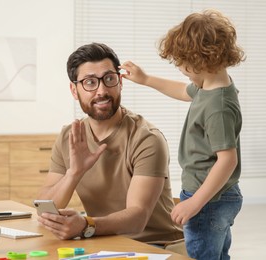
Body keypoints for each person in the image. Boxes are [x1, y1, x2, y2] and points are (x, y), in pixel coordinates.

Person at [120, 9, 245, 259]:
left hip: (209, 200)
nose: (182, 71)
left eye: (184, 66)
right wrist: (145, 79)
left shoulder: (217, 107)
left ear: (201, 61)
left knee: (201, 255)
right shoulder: (210, 85)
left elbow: (227, 160)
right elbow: (183, 91)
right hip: (218, 195)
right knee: (217, 254)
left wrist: (195, 202)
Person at [36, 42, 183, 244]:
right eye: (89, 82)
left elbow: (138, 218)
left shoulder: (146, 138)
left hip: (157, 245)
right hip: (104, 241)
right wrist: (74, 173)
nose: (102, 90)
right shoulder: (69, 137)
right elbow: (45, 206)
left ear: (120, 82)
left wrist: (86, 225)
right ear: (74, 90)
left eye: (109, 79)